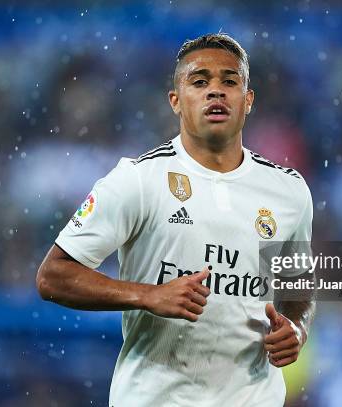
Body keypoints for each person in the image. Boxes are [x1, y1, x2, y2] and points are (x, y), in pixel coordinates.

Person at [36, 33, 315, 406]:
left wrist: (296, 326)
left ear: (248, 100)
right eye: (200, 82)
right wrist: (147, 295)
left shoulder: (289, 191)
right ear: (175, 101)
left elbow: (299, 280)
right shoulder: (137, 180)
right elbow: (53, 276)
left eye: (229, 81)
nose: (216, 92)